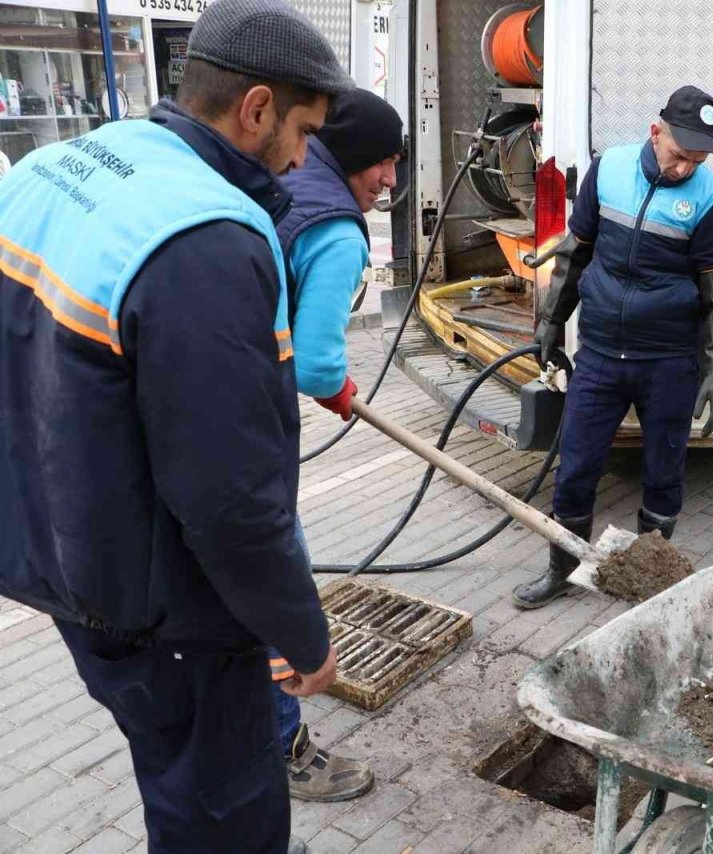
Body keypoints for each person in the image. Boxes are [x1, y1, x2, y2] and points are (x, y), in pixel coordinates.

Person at [0, 0, 353, 849]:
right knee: (223, 810)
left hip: (56, 557)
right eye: (304, 131)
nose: (305, 160)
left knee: (169, 767)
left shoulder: (58, 164)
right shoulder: (208, 239)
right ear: (256, 108)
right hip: (165, 613)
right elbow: (232, 500)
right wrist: (301, 634)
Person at [512, 85, 713, 609]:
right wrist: (550, 321)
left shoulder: (709, 200)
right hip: (599, 356)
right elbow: (575, 253)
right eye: (680, 155)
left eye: (698, 160)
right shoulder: (608, 170)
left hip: (667, 361)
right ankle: (560, 570)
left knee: (663, 475)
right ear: (655, 131)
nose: (686, 168)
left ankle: (649, 580)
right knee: (575, 469)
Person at [269, 88, 402, 801]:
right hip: (245, 424)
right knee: (274, 573)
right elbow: (318, 362)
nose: (389, 180)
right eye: (382, 163)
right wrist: (336, 386)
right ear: (351, 157)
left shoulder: (287, 172)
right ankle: (282, 745)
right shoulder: (339, 232)